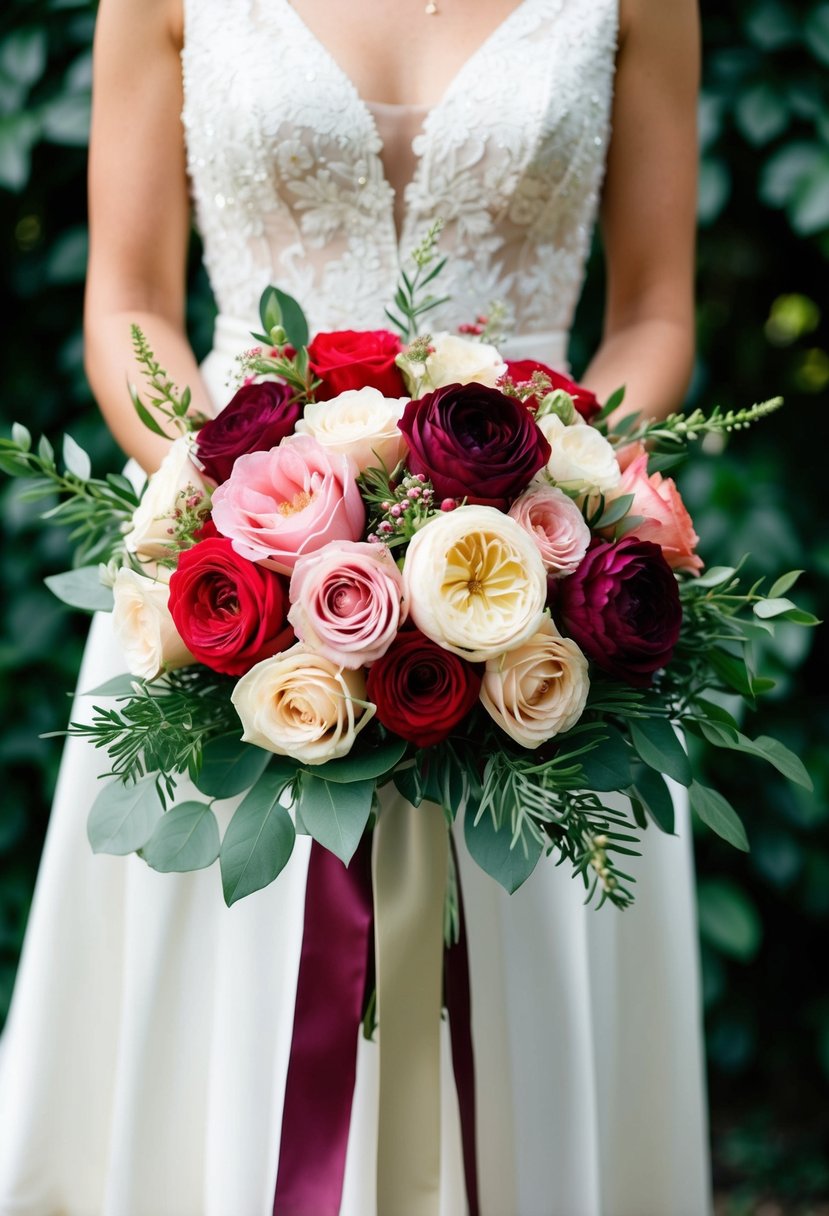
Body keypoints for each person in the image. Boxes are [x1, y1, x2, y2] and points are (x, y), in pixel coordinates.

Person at [0, 0, 710, 1213]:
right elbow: (126, 297)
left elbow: (652, 309)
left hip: (542, 588)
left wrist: (555, 502)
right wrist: (229, 501)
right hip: (226, 562)